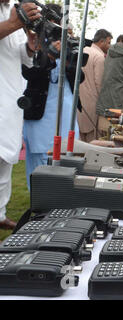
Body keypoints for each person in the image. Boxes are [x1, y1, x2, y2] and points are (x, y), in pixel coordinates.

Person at [22, 3, 82, 189]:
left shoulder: (66, 42)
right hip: (41, 116)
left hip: (66, 114)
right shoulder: (31, 41)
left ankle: (61, 203)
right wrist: (49, 56)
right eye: (55, 22)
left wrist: (68, 61)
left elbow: (80, 77)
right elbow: (28, 74)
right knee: (40, 163)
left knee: (68, 160)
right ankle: (39, 207)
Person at [0, 0, 40, 230]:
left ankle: (0, 212)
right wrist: (16, 23)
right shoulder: (14, 16)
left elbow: (22, 58)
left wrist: (30, 46)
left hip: (10, 101)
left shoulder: (9, 9)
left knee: (4, 162)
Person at [78, 29, 112, 142]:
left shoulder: (82, 50)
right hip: (92, 103)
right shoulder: (99, 57)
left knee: (79, 137)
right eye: (108, 42)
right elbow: (100, 84)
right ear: (101, 41)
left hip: (77, 101)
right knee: (91, 140)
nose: (109, 46)